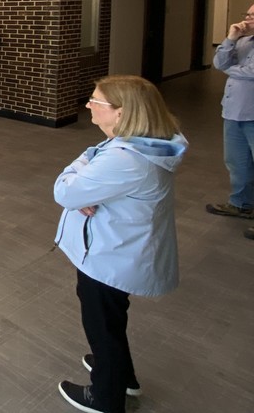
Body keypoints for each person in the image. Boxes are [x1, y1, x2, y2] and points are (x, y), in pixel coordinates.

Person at [53, 75, 186, 413]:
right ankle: (121, 373)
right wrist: (90, 173)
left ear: (121, 112)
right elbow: (86, 181)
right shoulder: (143, 145)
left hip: (109, 255)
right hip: (121, 248)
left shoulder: (124, 159)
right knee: (111, 316)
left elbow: (65, 191)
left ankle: (106, 397)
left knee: (101, 325)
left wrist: (83, 165)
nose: (87, 105)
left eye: (95, 101)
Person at [206, 4, 254, 239]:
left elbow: (250, 72)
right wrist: (231, 38)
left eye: (253, 16)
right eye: (248, 14)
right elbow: (219, 62)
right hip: (234, 111)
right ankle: (241, 204)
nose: (248, 19)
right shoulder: (242, 41)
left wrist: (229, 68)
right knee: (236, 163)